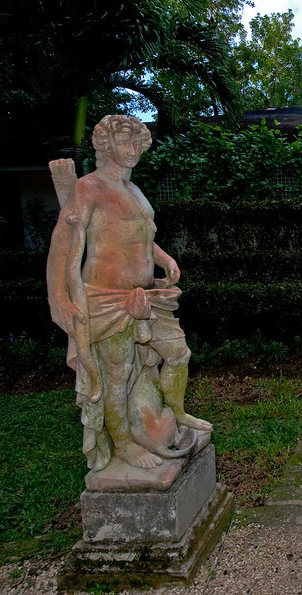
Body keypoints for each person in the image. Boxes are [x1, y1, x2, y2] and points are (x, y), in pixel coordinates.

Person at [47, 115, 209, 472]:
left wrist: (164, 258)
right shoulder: (91, 187)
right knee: (115, 377)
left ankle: (177, 412)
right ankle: (123, 446)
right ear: (105, 145)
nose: (133, 150)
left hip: (148, 295)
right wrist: (57, 297)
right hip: (107, 299)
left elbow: (139, 236)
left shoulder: (133, 189)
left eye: (138, 143)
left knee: (178, 354)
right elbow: (63, 239)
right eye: (124, 143)